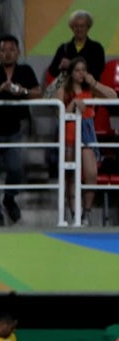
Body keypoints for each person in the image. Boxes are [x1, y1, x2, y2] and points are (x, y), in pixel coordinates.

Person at [0, 35, 41, 228]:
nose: (7, 53)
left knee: (15, 168)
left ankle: (9, 199)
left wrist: (23, 92)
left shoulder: (25, 71)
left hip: (13, 129)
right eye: (4, 50)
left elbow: (38, 93)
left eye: (11, 49)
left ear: (18, 52)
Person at [56, 56, 116, 227]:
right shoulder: (63, 90)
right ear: (71, 72)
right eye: (77, 70)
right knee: (71, 176)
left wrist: (95, 83)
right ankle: (74, 213)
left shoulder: (90, 89)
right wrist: (74, 103)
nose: (81, 73)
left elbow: (113, 97)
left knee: (91, 174)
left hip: (87, 134)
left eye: (84, 70)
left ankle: (86, 213)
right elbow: (59, 114)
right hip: (69, 134)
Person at [46, 9, 105, 90]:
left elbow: (98, 70)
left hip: (89, 89)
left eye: (82, 26)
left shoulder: (97, 48)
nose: (79, 29)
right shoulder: (63, 48)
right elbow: (52, 71)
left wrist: (72, 65)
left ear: (88, 27)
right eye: (76, 26)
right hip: (67, 91)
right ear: (72, 28)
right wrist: (60, 66)